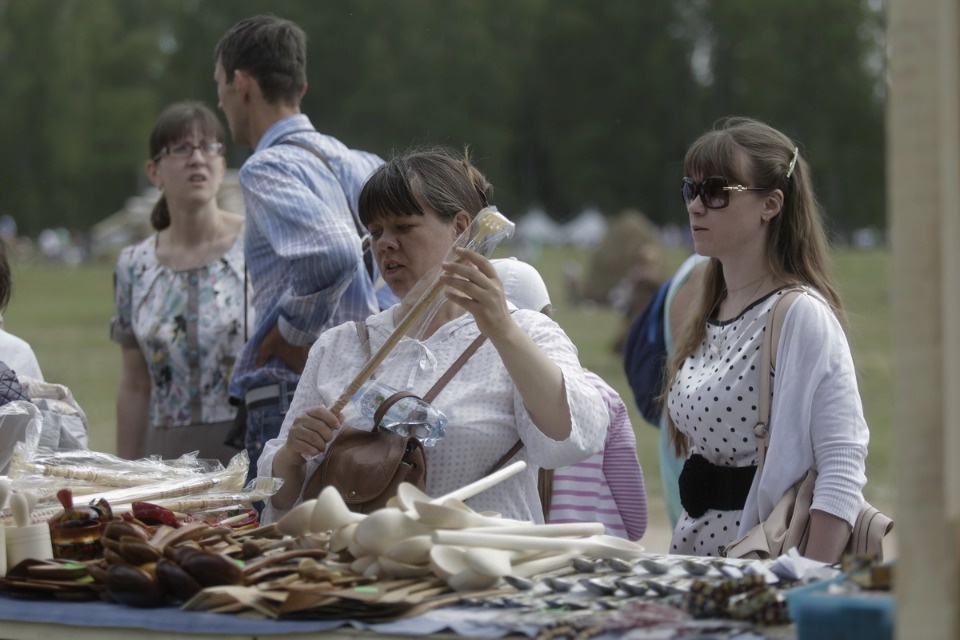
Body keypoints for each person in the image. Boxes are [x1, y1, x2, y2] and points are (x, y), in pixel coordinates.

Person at [257, 147, 607, 524]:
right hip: (358, 572)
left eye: (403, 227)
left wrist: (503, 331)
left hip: (478, 570)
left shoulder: (526, 334)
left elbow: (575, 435)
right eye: (375, 232)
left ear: (460, 228)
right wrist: (292, 454)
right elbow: (278, 495)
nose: (385, 243)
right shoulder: (339, 346)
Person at [665, 117, 869, 563]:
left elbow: (842, 462)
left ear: (771, 205)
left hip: (765, 567)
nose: (696, 206)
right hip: (697, 558)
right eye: (690, 189)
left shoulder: (800, 315)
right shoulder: (708, 307)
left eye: (716, 191)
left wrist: (805, 580)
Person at [214, 15, 384, 481]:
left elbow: (333, 253)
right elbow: (395, 264)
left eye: (220, 86)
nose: (220, 101)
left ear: (242, 83)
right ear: (301, 86)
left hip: (294, 400)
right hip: (360, 396)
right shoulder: (361, 164)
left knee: (280, 545)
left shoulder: (266, 168)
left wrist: (288, 337)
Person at [111, 101, 247, 465]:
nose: (197, 158)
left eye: (209, 147)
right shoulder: (132, 266)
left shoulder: (257, 245)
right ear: (154, 171)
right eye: (182, 148)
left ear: (221, 164)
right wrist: (125, 474)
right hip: (165, 458)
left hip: (249, 449)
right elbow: (135, 386)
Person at [494, 257, 647, 541]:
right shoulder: (602, 397)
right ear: (549, 317)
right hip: (596, 566)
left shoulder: (478, 404)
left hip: (518, 559)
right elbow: (635, 521)